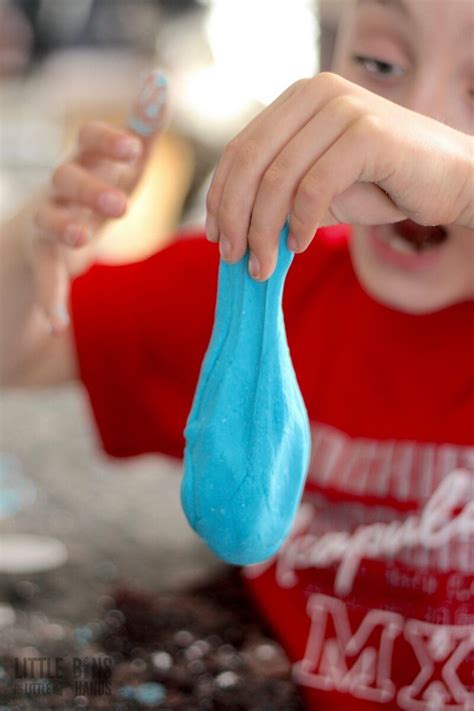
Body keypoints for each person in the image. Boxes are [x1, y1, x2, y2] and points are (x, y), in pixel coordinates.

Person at [1, 0, 473, 708]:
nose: (414, 121)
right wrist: (32, 244)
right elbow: (21, 348)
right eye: (379, 63)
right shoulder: (258, 285)